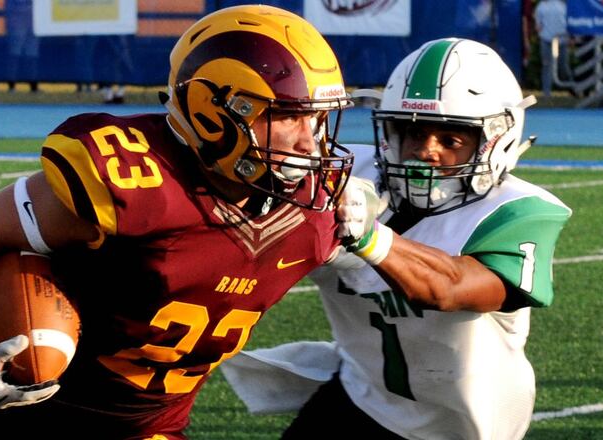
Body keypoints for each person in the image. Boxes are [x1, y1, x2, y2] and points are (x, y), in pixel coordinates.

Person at [0, 5, 358, 439]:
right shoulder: (137, 180)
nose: (311, 140)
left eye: (317, 117)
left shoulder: (314, 213)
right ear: (212, 112)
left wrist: (370, 221)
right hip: (23, 418)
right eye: (287, 115)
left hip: (149, 430)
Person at [221, 38, 572, 439]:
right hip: (363, 394)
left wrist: (370, 239)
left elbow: (451, 288)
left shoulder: (517, 212)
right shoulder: (344, 176)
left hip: (462, 425)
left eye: (451, 140)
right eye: (412, 133)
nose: (425, 151)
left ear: (496, 140)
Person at [534, 0, 571, 97]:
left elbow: (569, 22)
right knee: (547, 66)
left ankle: (572, 89)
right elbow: (538, 25)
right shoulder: (541, 6)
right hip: (547, 40)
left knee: (563, 67)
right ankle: (546, 94)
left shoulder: (563, 6)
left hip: (561, 40)